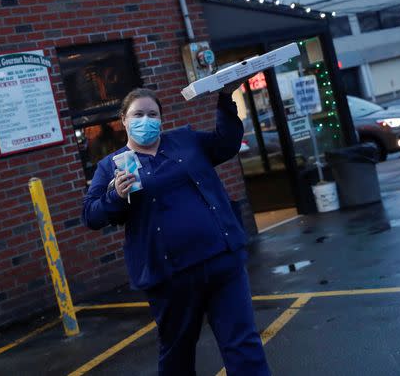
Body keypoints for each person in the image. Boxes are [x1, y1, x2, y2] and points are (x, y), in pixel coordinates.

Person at [82, 86, 270, 375]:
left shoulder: (185, 140)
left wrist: (225, 100)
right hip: (170, 277)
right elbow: (91, 216)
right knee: (177, 354)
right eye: (138, 114)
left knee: (242, 344)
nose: (146, 120)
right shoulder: (111, 166)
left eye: (152, 114)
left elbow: (227, 143)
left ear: (161, 119)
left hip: (222, 260)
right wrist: (114, 197)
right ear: (123, 119)